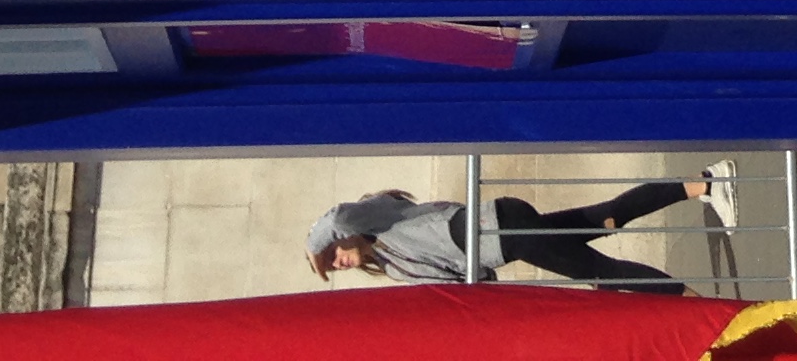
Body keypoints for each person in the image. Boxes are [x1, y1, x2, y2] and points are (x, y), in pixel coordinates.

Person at [306, 172, 729, 294]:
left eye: (333, 253)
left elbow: (339, 216)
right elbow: (462, 281)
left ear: (341, 236)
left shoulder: (378, 218)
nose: (338, 262)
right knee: (605, 219)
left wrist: (314, 245)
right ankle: (705, 183)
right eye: (335, 266)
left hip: (506, 228)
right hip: (508, 241)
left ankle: (697, 305)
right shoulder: (394, 267)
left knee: (605, 275)